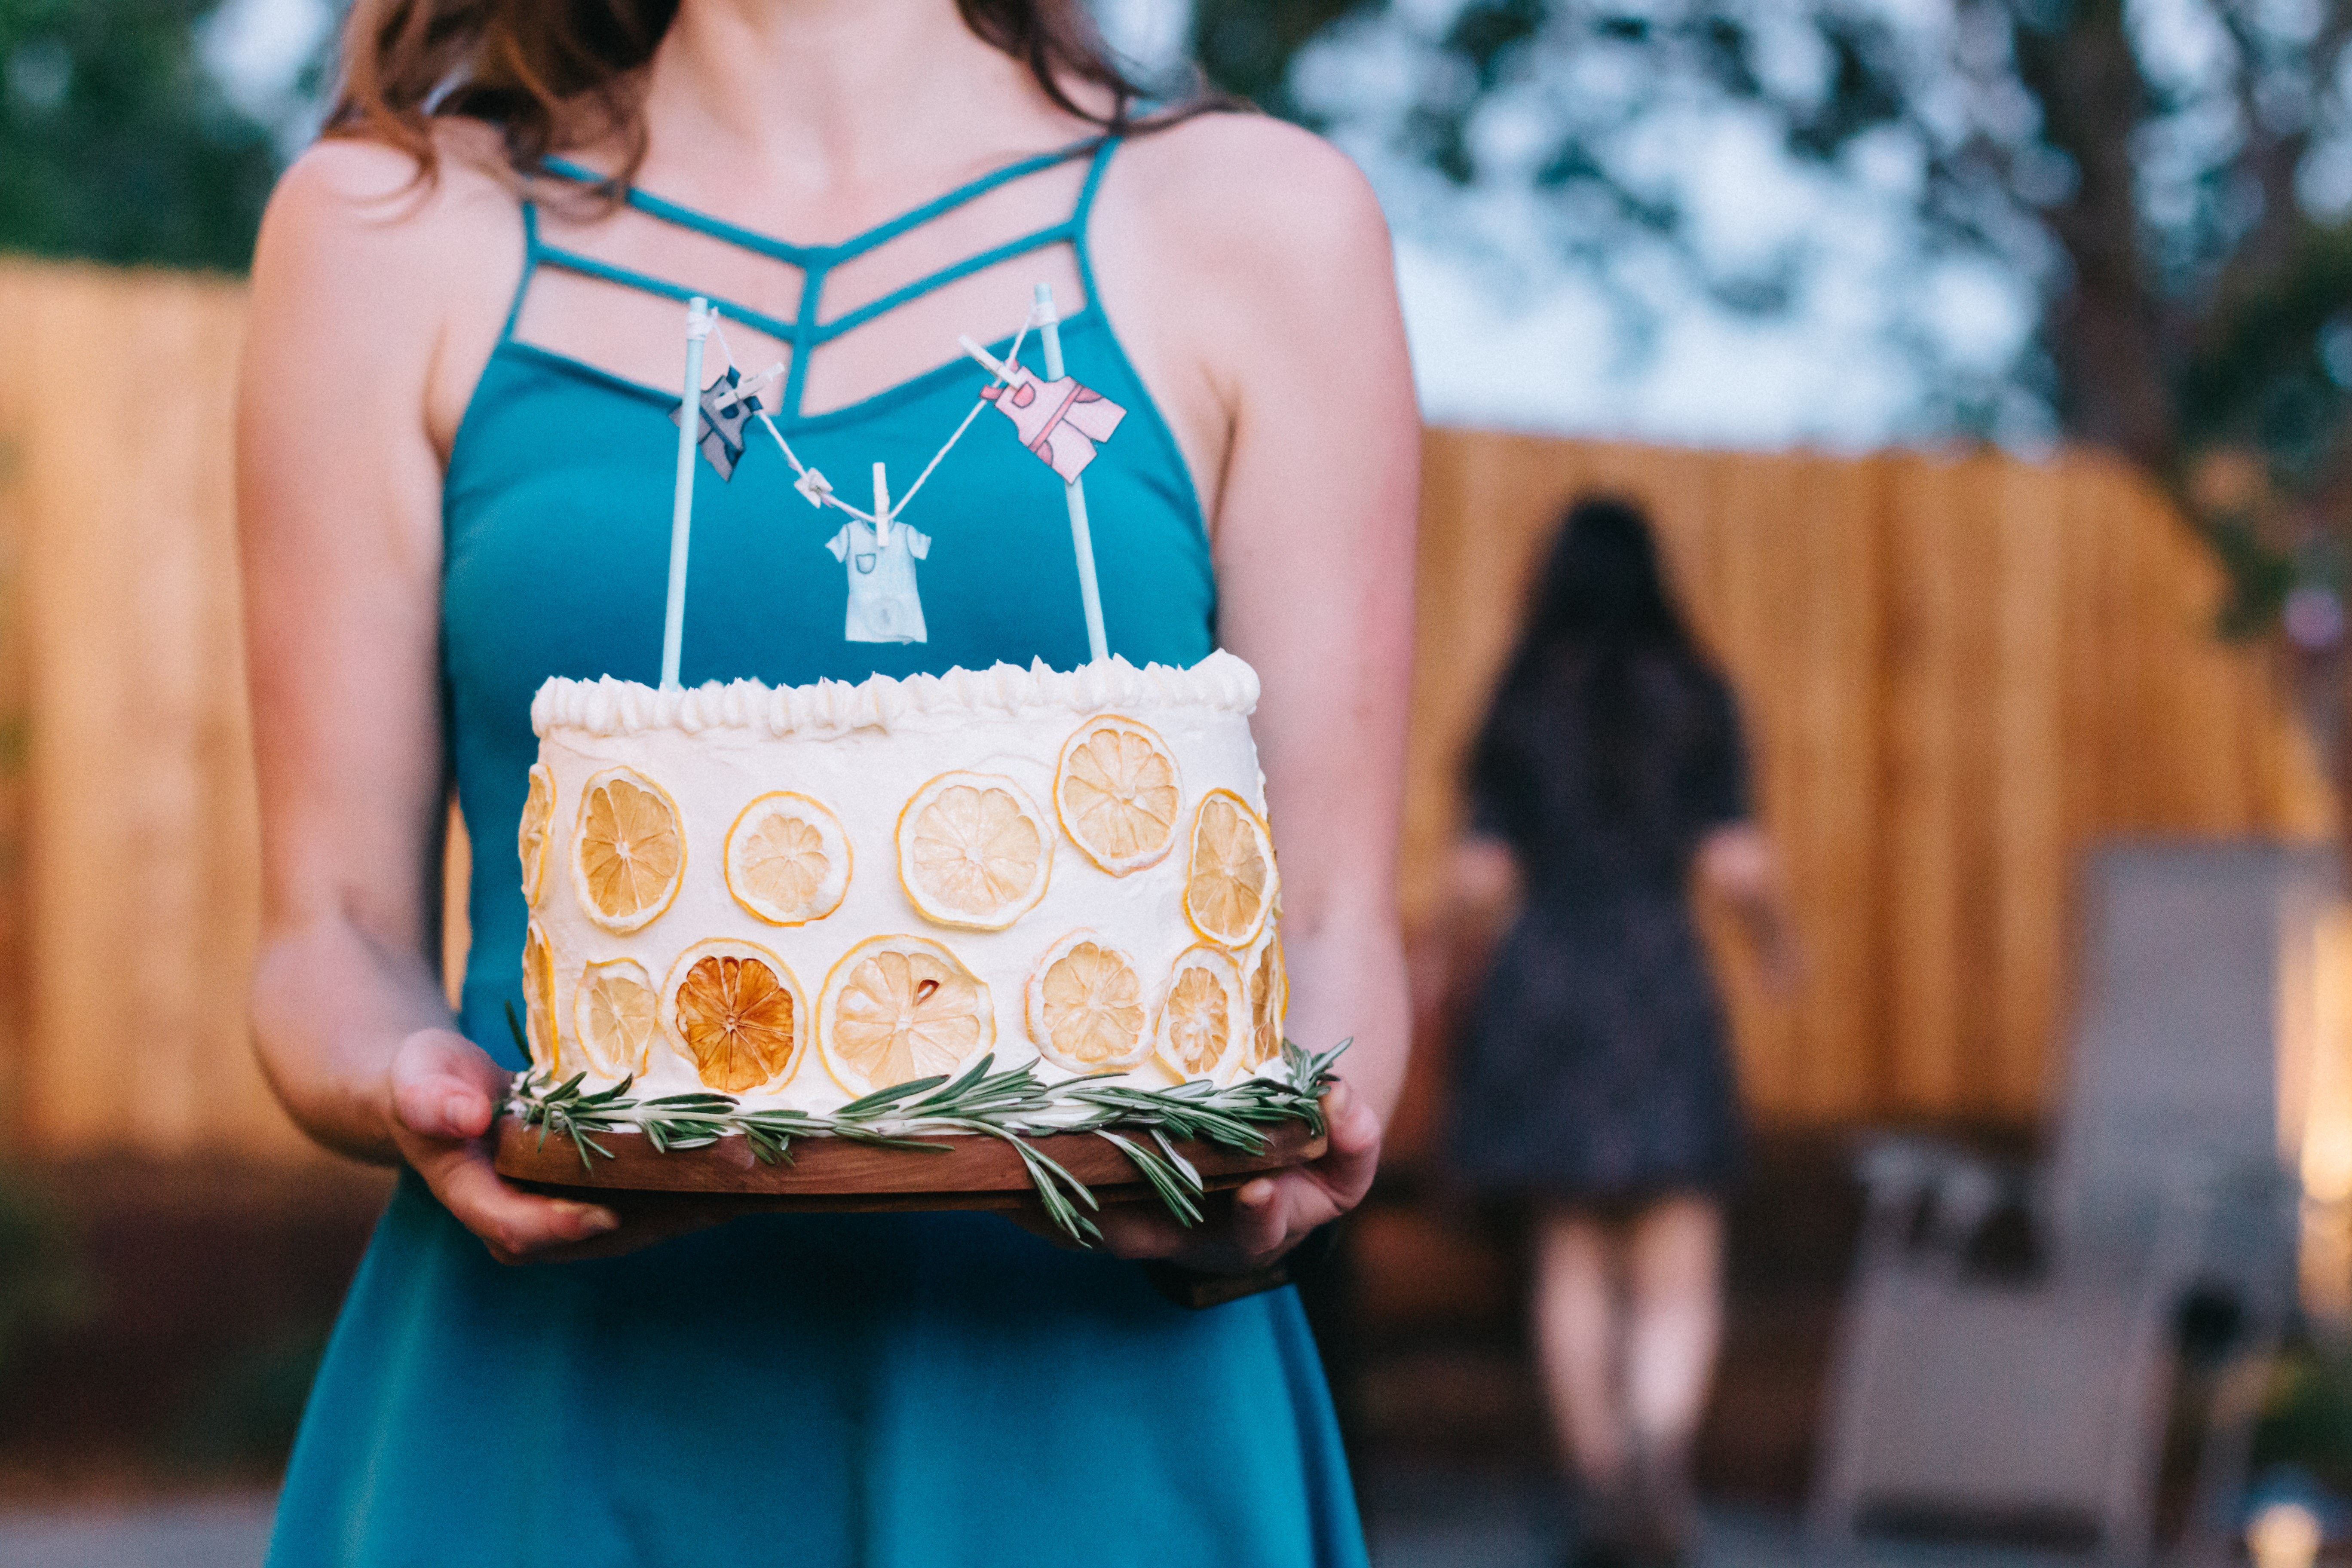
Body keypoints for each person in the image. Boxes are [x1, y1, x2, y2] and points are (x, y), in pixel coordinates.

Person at [234, 0, 1416, 1559]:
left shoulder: (1265, 224)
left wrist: (1276, 1162)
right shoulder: (386, 228)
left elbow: (1327, 918)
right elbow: (328, 929)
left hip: (1104, 1418)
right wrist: (414, 1081)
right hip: (554, 1421)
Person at [1437, 496, 1800, 1568]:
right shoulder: (1696, 691)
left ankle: (1598, 1483)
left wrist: (1432, 957)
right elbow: (1736, 863)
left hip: (1545, 986)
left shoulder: (1521, 694)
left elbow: (1481, 873)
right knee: (1677, 1257)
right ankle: (1657, 1464)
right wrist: (1777, 945)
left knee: (1570, 1252)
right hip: (1657, 985)